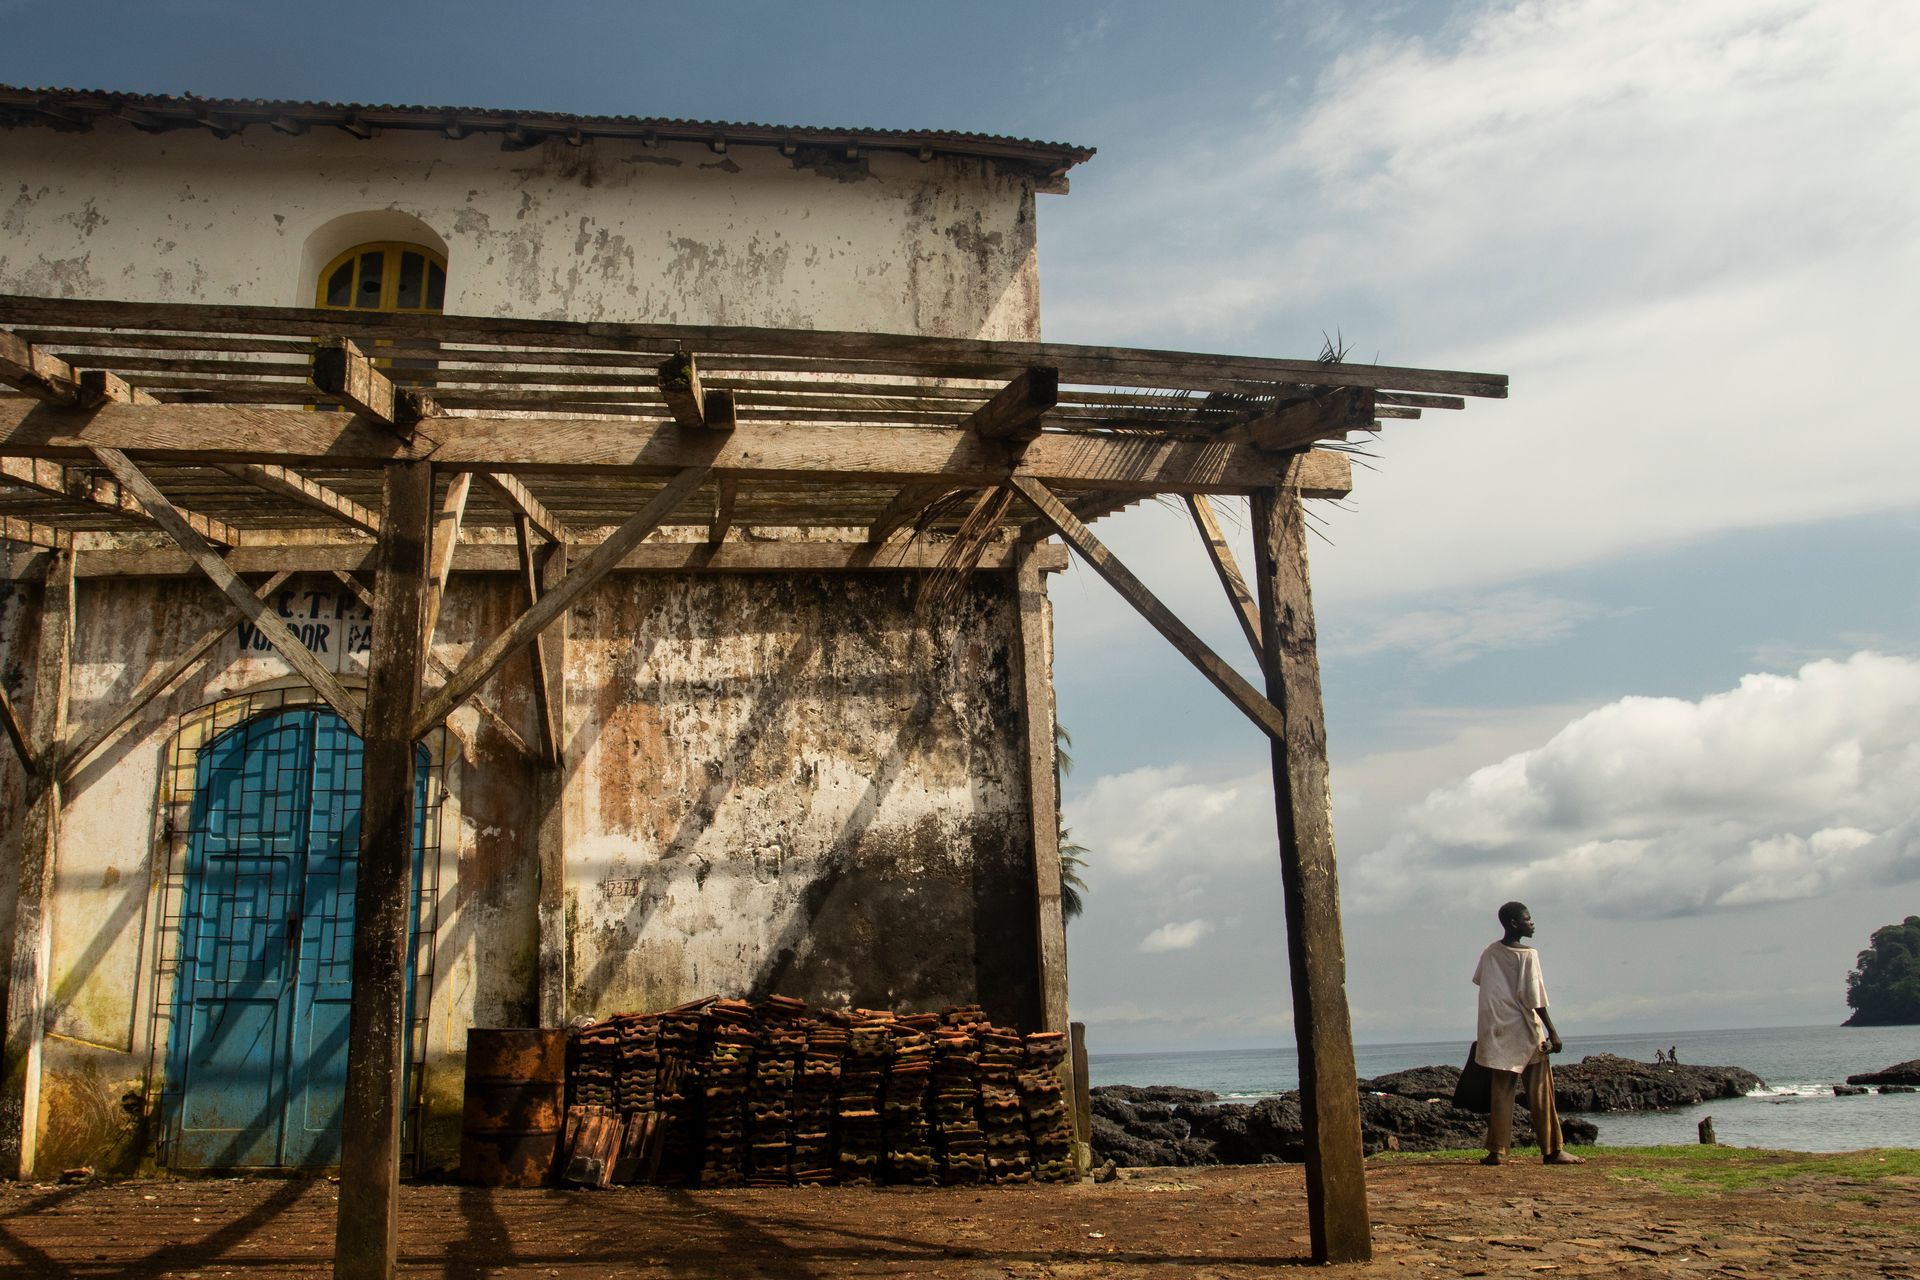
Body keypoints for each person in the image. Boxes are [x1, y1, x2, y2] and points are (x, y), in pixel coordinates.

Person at [1473, 901, 1584, 1166]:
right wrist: (1552, 1032)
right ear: (1514, 923)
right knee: (1541, 1091)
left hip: (1497, 1030)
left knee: (1501, 1092)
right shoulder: (1528, 955)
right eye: (1527, 918)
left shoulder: (1490, 952)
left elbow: (1481, 981)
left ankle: (1497, 1150)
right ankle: (1552, 1149)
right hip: (1525, 1029)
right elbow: (1535, 999)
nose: (1532, 922)